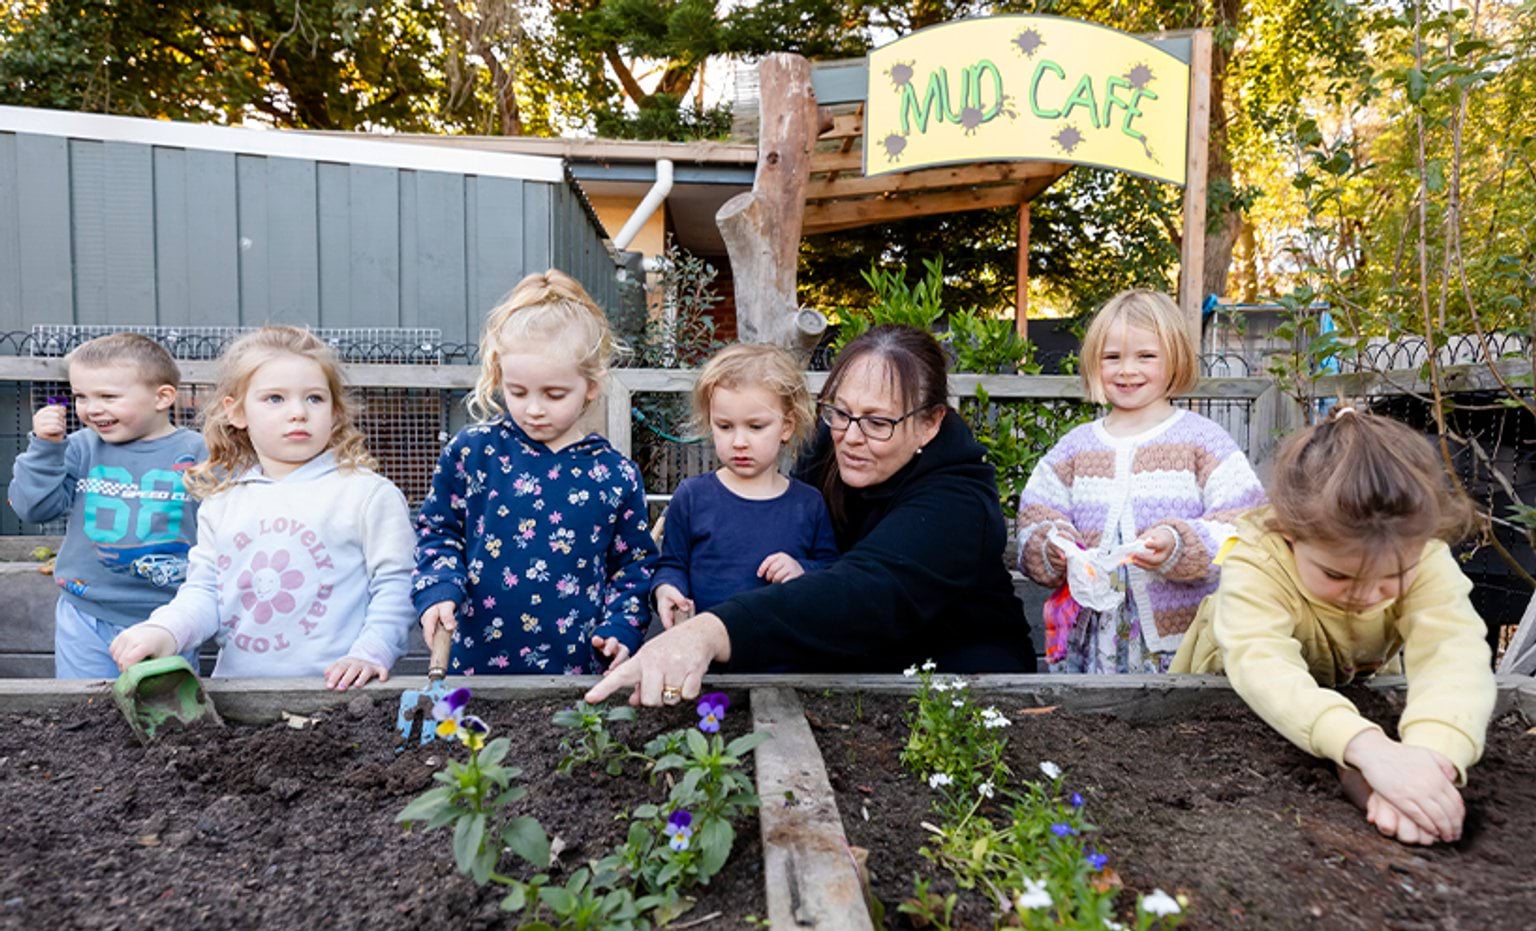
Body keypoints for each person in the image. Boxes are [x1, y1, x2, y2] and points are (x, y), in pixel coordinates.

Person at [586, 324, 1033, 708]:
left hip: (964, 688)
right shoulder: (832, 443)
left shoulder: (956, 503)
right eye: (840, 412)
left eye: (879, 423)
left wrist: (712, 632)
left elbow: (862, 592)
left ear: (931, 422)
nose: (850, 437)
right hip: (838, 676)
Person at [1171, 408, 1495, 847]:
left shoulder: (1423, 554)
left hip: (1349, 688)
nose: (1366, 596)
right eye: (1338, 576)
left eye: (1391, 580)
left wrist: (1429, 763)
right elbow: (1263, 664)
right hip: (1223, 701)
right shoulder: (1255, 554)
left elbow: (1452, 655)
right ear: (1288, 532)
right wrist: (1367, 747)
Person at [108, 326, 415, 689]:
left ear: (335, 413)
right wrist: (166, 629)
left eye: (315, 399)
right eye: (274, 398)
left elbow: (398, 583)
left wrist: (371, 651)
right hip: (242, 693)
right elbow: (205, 591)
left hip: (342, 692)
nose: (298, 412)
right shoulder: (223, 500)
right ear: (236, 412)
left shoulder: (366, 494)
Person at [412, 270, 656, 675]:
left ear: (591, 385)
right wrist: (437, 588)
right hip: (472, 669)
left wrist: (622, 628)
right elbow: (438, 531)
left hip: (574, 675)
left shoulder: (614, 475)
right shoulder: (474, 452)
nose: (534, 408)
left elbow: (633, 566)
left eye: (554, 394)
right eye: (518, 392)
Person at [1016, 289, 1265, 673]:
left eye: (1145, 356)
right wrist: (1056, 546)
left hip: (1183, 641)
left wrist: (1181, 545)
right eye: (1112, 357)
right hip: (1091, 641)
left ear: (1175, 358)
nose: (1127, 370)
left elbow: (1245, 526)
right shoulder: (1075, 448)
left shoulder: (1204, 441)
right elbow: (1035, 517)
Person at [8, 333, 206, 678]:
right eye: (81, 396)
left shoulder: (198, 453)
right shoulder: (78, 448)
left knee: (165, 711)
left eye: (108, 396)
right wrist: (43, 448)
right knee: (87, 708)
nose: (91, 408)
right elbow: (34, 508)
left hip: (169, 615)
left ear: (162, 397)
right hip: (87, 613)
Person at [650, 344, 838, 627]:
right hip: (707, 659)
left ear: (786, 426)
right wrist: (667, 590)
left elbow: (831, 570)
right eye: (725, 426)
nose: (739, 441)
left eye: (756, 426)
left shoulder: (808, 503)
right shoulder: (692, 497)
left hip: (785, 659)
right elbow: (672, 564)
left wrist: (802, 569)